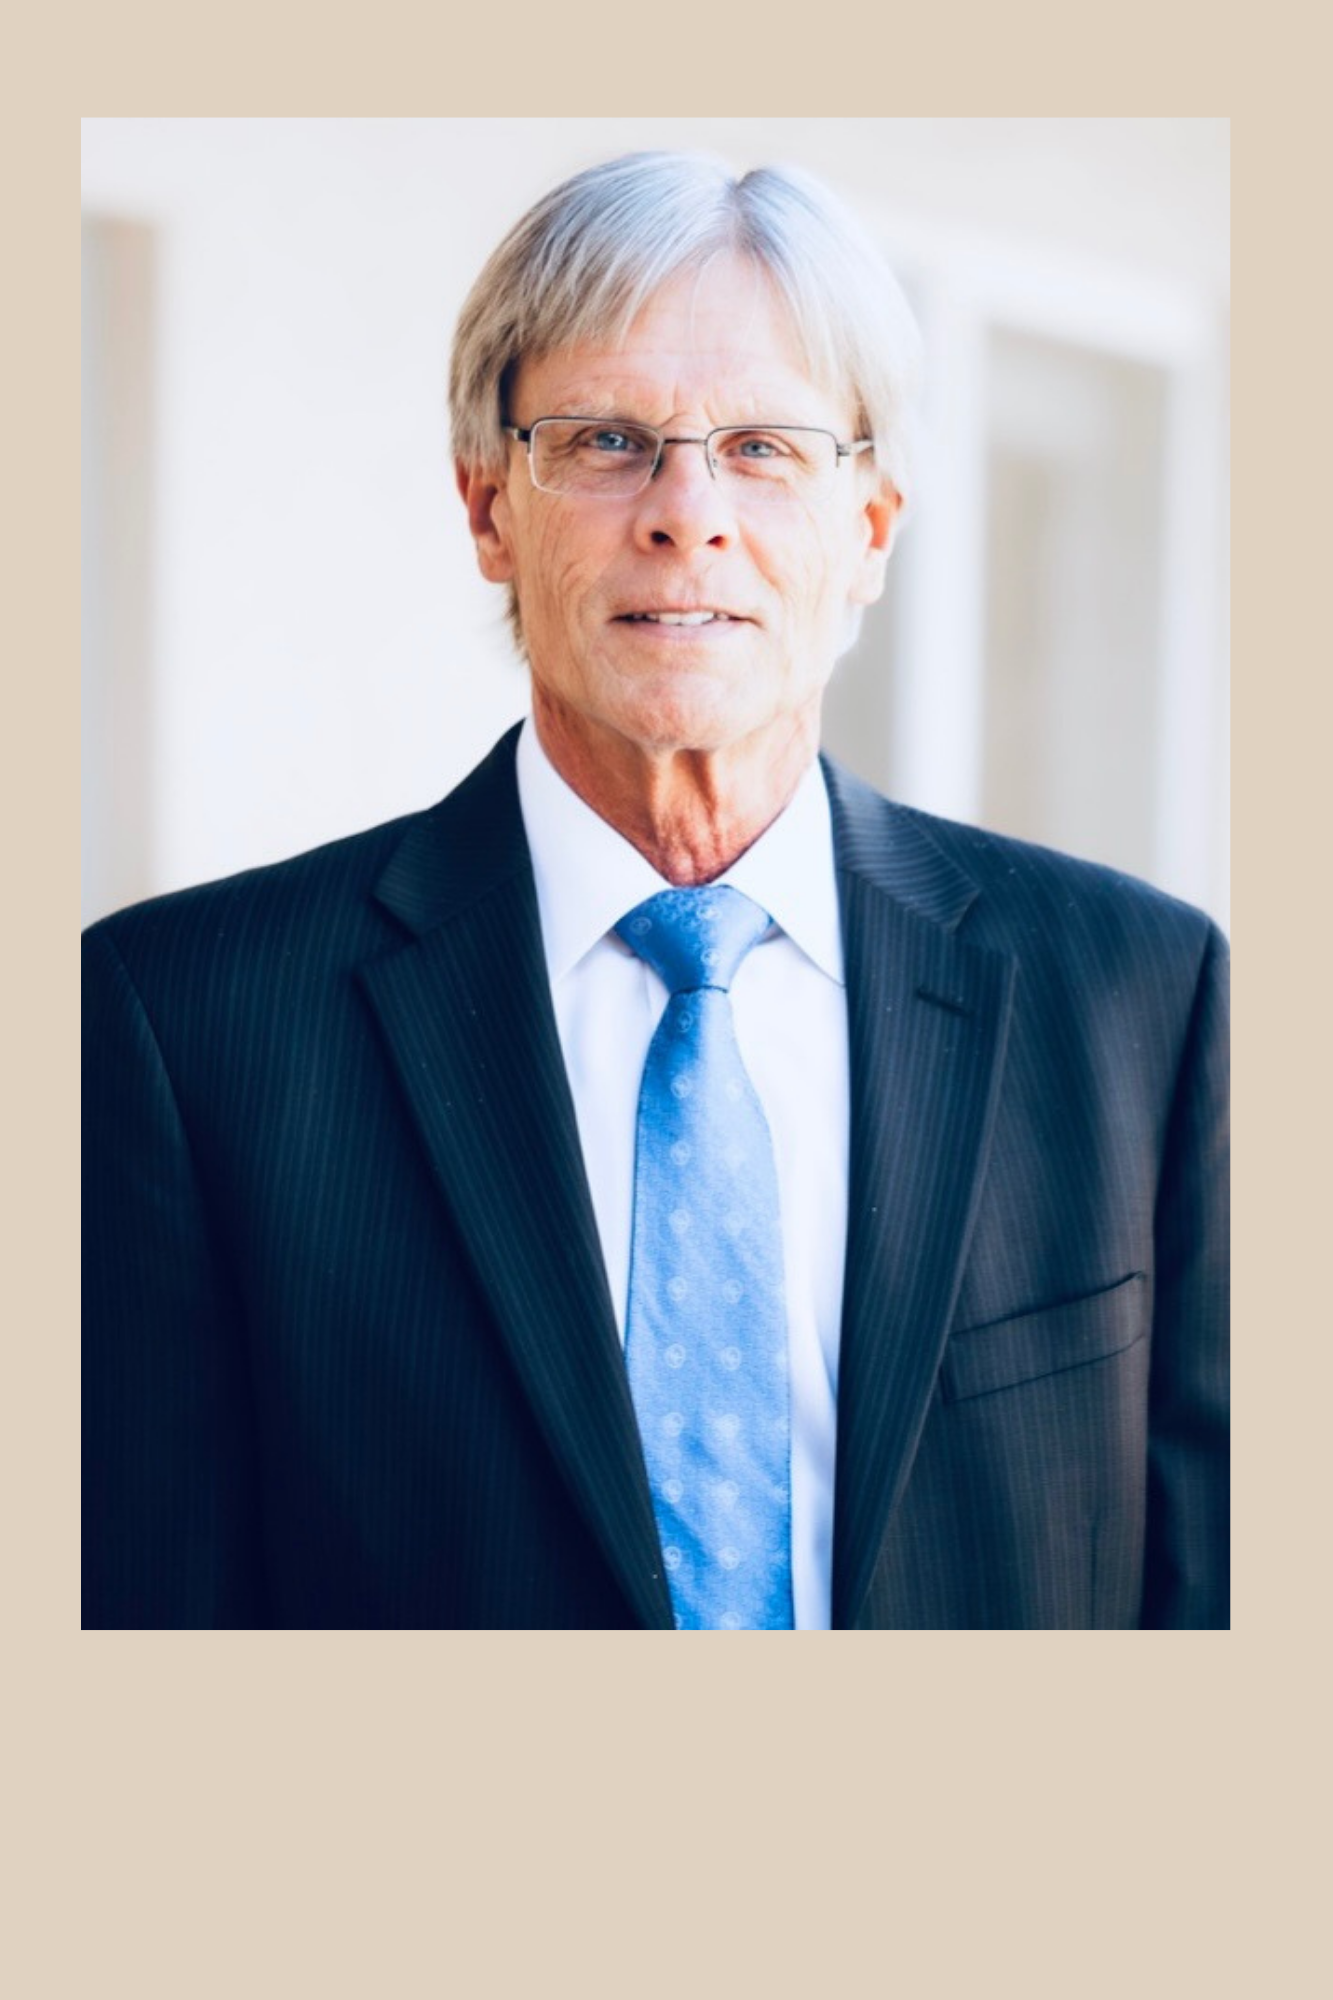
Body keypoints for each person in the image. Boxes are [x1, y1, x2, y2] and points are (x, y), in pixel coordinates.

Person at [82, 151, 1229, 1630]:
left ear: (871, 528)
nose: (688, 512)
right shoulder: (184, 1027)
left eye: (764, 445)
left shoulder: (1146, 1000)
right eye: (611, 440)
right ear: (490, 508)